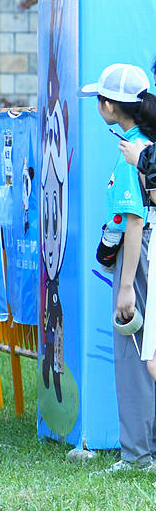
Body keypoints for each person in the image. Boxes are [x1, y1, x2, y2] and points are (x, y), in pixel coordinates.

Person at [81, 63, 156, 472]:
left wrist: (126, 286)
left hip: (138, 254)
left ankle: (138, 454)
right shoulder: (147, 143)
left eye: (99, 99)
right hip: (148, 252)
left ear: (109, 106)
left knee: (135, 354)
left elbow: (133, 219)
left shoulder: (133, 152)